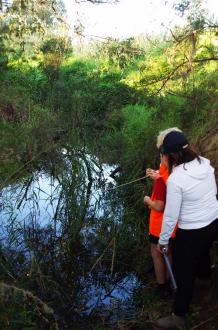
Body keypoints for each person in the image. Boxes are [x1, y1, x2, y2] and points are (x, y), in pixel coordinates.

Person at [153, 130, 218, 329]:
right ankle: (206, 280)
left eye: (164, 154)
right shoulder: (205, 164)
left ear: (172, 156)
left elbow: (171, 216)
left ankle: (179, 316)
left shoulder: (176, 180)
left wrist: (162, 241)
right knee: (204, 252)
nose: (162, 157)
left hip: (191, 231)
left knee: (184, 272)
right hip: (213, 221)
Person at [143, 128, 182, 297]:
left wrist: (147, 200)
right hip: (173, 226)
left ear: (167, 155)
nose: (160, 155)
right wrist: (158, 174)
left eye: (161, 153)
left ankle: (162, 285)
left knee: (157, 253)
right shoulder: (178, 169)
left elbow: (159, 206)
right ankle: (167, 276)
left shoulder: (163, 182)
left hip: (160, 225)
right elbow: (165, 176)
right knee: (168, 252)